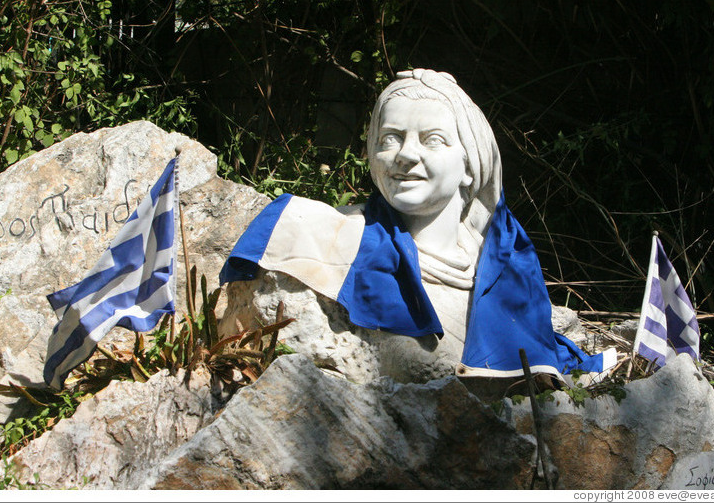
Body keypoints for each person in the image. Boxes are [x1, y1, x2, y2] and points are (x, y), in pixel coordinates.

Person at [220, 69, 615, 385]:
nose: (406, 155)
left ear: (469, 165)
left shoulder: (507, 274)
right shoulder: (327, 231)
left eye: (432, 140)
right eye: (390, 138)